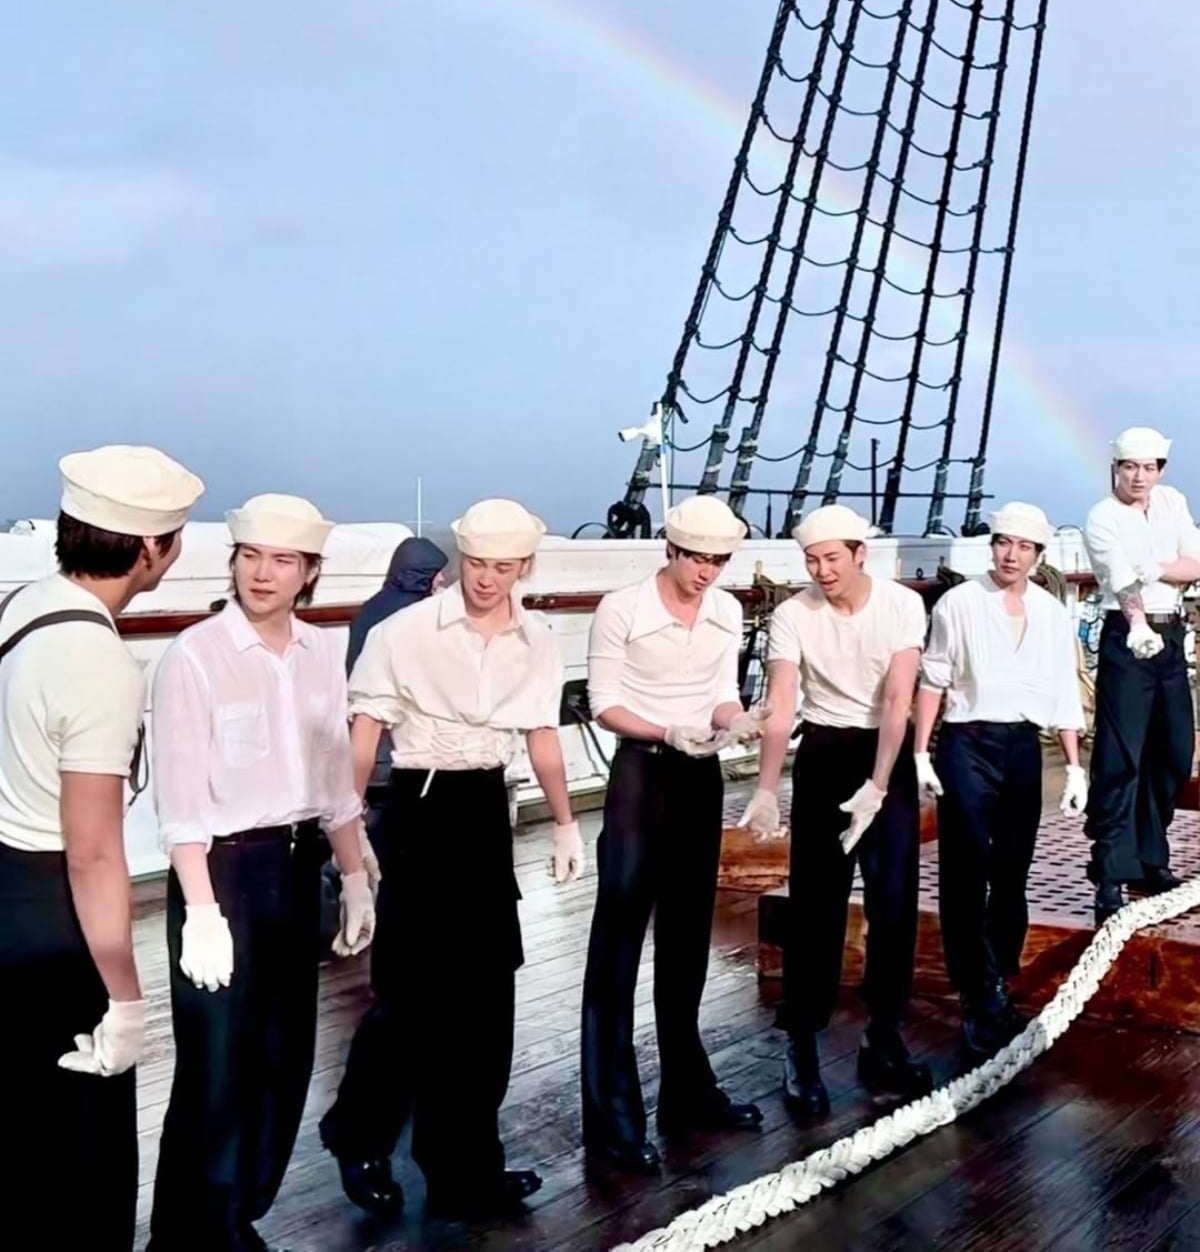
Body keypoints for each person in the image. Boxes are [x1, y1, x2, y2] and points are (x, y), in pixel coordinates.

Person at [318, 497, 586, 1220]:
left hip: (486, 809)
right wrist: (349, 833)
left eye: (504, 567)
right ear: (460, 559)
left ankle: (463, 1170)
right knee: (411, 996)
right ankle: (358, 1133)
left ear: (524, 567)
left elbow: (541, 733)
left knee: (486, 1002)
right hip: (420, 805)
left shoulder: (536, 639)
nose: (488, 579)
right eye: (477, 564)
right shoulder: (404, 632)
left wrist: (565, 824)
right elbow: (364, 733)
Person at [147, 494, 375, 1252]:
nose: (262, 573)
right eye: (250, 556)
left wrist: (355, 876)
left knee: (284, 1053)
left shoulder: (322, 653)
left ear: (309, 571)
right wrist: (201, 911)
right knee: (216, 1063)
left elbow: (334, 781)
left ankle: (241, 1211)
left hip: (298, 863)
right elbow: (181, 802)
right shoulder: (194, 656)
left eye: (282, 560)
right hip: (223, 873)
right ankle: (193, 1233)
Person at [0, 443, 203, 1252]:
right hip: (52, 921)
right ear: (152, 548)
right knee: (82, 1157)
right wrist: (125, 998)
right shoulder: (99, 661)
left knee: (20, 1141)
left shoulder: (27, 604)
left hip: (5, 886)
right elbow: (91, 852)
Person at [579, 494, 767, 1174]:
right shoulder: (622, 608)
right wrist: (666, 731)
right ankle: (612, 1118)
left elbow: (719, 690)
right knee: (619, 941)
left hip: (698, 775)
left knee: (688, 935)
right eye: (697, 559)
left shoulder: (726, 611)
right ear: (671, 549)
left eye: (719, 561)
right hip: (641, 773)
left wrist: (734, 719)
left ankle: (687, 1089)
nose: (707, 572)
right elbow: (603, 702)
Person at [740, 503, 931, 1116]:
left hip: (884, 753)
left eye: (831, 558)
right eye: (811, 561)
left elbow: (898, 697)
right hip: (823, 752)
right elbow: (781, 701)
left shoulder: (901, 605)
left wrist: (879, 785)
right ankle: (801, 1042)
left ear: (859, 555)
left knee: (893, 903)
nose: (821, 571)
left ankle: (883, 1035)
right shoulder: (793, 614)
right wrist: (766, 788)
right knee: (815, 903)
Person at [913, 502, 1088, 1056]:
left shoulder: (1051, 613)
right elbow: (934, 679)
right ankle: (976, 992)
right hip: (967, 742)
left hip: (1022, 746)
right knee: (966, 867)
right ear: (992, 546)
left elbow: (1063, 689)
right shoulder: (960, 603)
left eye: (1023, 546)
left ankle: (999, 978)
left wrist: (1075, 765)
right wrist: (920, 752)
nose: (1011, 555)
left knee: (1013, 867)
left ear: (1038, 555)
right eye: (1003, 542)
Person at [1082, 427, 1200, 924]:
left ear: (1160, 470)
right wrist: (1137, 623)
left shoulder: (1173, 502)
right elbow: (1121, 581)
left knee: (1173, 750)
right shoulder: (1103, 516)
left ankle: (1151, 858)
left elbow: (1195, 563)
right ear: (1116, 467)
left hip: (1170, 635)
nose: (1139, 476)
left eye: (1148, 467)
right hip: (1127, 635)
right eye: (1130, 466)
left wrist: (1150, 566)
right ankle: (1111, 870)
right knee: (1120, 756)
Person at [345, 535, 449, 675]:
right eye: (436, 573)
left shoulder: (370, 608)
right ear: (420, 576)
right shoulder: (414, 614)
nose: (442, 578)